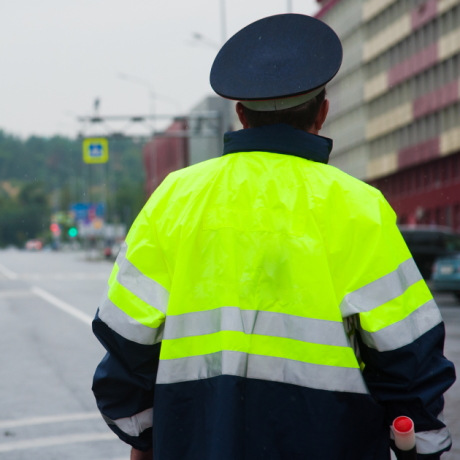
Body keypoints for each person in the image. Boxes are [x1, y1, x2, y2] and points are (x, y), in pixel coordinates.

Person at [92, 14, 455, 460]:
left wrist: (147, 437)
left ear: (241, 114)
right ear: (323, 112)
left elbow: (125, 343)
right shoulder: (359, 207)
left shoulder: (174, 198)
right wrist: (422, 444)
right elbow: (408, 354)